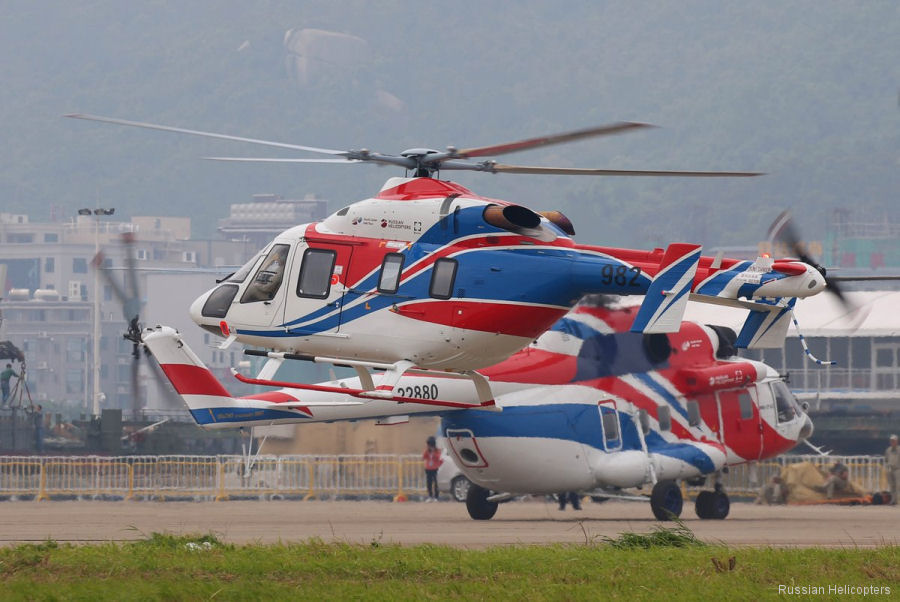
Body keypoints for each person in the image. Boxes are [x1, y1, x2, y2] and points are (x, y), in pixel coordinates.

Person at [422, 436, 443, 502]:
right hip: (428, 469)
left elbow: (439, 458)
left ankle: (436, 497)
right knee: (429, 483)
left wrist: (434, 453)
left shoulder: (437, 451)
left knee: (436, 483)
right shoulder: (427, 451)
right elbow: (423, 457)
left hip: (435, 469)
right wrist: (427, 451)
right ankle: (430, 496)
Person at [886, 434, 900, 506]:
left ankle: (897, 500)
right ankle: (893, 500)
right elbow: (886, 459)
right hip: (890, 469)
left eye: (894, 441)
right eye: (891, 441)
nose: (892, 442)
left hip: (898, 469)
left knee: (898, 485)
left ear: (897, 442)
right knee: (892, 485)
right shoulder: (888, 450)